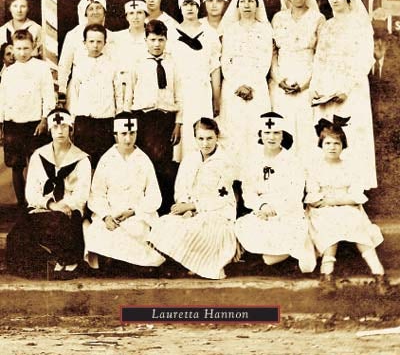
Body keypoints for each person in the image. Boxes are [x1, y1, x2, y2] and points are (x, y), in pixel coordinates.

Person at [6, 108, 91, 279]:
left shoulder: (81, 159)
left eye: (64, 126)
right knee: (17, 234)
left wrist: (63, 205)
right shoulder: (39, 156)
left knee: (59, 226)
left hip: (69, 212)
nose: (60, 131)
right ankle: (43, 265)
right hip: (44, 208)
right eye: (55, 127)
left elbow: (81, 195)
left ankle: (66, 262)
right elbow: (31, 192)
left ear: (71, 129)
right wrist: (51, 205)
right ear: (50, 130)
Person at [305, 118, 388, 293]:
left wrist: (335, 200)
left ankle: (379, 274)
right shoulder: (314, 168)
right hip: (322, 210)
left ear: (343, 146)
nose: (332, 147)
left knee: (354, 222)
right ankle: (327, 275)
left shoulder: (351, 167)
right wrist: (328, 202)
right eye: (328, 143)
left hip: (347, 206)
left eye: (337, 143)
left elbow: (356, 195)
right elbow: (313, 195)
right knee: (329, 225)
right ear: (321, 145)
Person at [149, 117, 237, 279]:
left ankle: (195, 264)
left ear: (217, 136)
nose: (205, 143)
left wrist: (193, 207)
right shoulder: (190, 159)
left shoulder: (225, 162)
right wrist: (184, 205)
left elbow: (221, 197)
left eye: (209, 138)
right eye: (201, 139)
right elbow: (181, 188)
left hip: (217, 212)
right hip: (190, 209)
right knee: (165, 223)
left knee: (197, 229)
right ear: (195, 138)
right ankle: (177, 263)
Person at [309, 0, 376, 190]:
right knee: (328, 134)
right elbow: (319, 58)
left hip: (351, 88)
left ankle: (353, 189)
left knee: (351, 133)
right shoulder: (326, 26)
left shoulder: (360, 24)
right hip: (327, 88)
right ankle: (328, 187)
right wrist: (316, 88)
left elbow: (365, 59)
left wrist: (346, 89)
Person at [235, 112, 316, 274]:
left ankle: (276, 260)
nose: (271, 137)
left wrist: (275, 209)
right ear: (260, 134)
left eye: (276, 133)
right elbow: (248, 190)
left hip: (286, 211)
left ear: (283, 135)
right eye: (267, 132)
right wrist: (261, 206)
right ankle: (276, 259)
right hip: (261, 211)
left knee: (285, 237)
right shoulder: (253, 159)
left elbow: (294, 194)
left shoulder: (292, 161)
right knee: (247, 228)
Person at [84, 112, 165, 272]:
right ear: (115, 135)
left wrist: (134, 211)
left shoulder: (143, 160)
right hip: (111, 214)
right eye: (123, 134)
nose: (128, 139)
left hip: (136, 214)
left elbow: (154, 195)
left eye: (132, 133)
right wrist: (106, 216)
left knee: (136, 230)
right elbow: (97, 194)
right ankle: (119, 262)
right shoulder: (107, 159)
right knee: (97, 231)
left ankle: (130, 263)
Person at [219, 0, 273, 177]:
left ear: (257, 5)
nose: (247, 5)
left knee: (255, 129)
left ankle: (254, 177)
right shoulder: (230, 29)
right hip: (233, 87)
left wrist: (251, 84)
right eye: (243, 1)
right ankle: (233, 178)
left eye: (251, 1)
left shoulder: (265, 29)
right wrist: (237, 84)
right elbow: (225, 59)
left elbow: (266, 59)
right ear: (237, 5)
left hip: (257, 86)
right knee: (234, 130)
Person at [270, 0, 325, 157]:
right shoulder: (278, 18)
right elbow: (272, 53)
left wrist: (306, 83)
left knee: (305, 127)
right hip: (282, 79)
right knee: (282, 124)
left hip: (307, 78)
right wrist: (279, 79)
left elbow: (321, 55)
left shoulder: (318, 18)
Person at [130, 19, 182, 214]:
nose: (157, 44)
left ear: (166, 40)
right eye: (152, 40)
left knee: (164, 164)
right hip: (144, 118)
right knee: (145, 162)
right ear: (146, 40)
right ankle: (144, 207)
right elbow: (129, 91)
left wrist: (178, 123)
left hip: (165, 118)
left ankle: (163, 209)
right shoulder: (137, 62)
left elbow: (180, 94)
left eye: (161, 40)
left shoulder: (173, 63)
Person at [0, 29, 55, 206]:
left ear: (33, 47)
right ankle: (21, 205)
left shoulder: (41, 68)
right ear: (12, 49)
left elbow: (48, 95)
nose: (22, 53)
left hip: (34, 124)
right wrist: (1, 124)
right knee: (17, 166)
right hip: (13, 124)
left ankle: (37, 202)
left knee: (37, 164)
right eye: (18, 49)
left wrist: (44, 119)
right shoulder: (8, 72)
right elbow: (2, 98)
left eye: (26, 48)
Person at [169, 0, 221, 160]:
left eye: (193, 4)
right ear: (180, 7)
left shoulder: (209, 33)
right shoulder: (171, 33)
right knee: (183, 136)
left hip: (202, 91)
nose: (189, 8)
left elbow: (214, 68)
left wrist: (216, 98)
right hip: (181, 90)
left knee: (203, 132)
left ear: (198, 6)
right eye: (185, 4)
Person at [71, 24, 127, 169]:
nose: (95, 45)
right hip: (84, 121)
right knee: (83, 162)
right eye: (91, 41)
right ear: (85, 43)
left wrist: (119, 117)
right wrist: (73, 120)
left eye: (99, 42)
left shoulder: (112, 65)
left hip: (105, 120)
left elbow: (118, 93)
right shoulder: (79, 65)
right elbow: (74, 93)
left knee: (105, 162)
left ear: (104, 43)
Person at [58, 0, 116, 108]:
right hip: (79, 90)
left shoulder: (112, 37)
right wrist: (61, 91)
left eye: (98, 8)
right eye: (90, 9)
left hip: (104, 90)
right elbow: (64, 65)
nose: (95, 12)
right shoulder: (73, 35)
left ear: (104, 11)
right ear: (85, 13)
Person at [114, 0, 148, 72]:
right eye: (131, 13)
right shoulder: (117, 37)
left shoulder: (152, 37)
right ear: (127, 17)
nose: (135, 17)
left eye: (139, 13)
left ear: (145, 15)